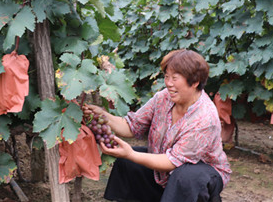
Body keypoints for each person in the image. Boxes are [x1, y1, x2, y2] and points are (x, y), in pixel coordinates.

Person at [83, 49, 231, 202]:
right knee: (126, 162)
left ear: (194, 82)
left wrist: (131, 154)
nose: (168, 83)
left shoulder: (204, 118)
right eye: (166, 77)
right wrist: (103, 115)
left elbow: (172, 161)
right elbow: (132, 126)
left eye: (175, 78)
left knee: (185, 177)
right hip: (166, 171)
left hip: (202, 175)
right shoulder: (163, 98)